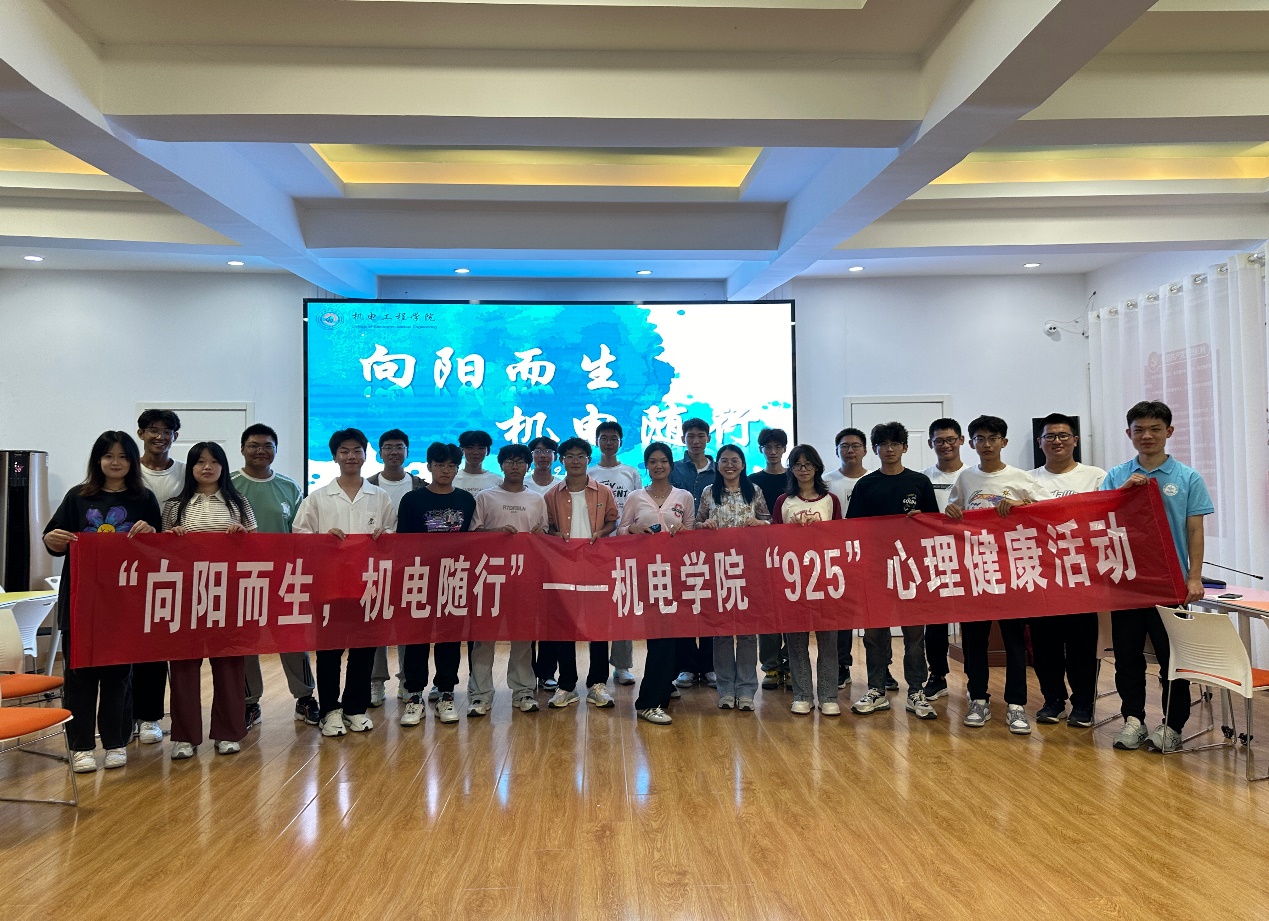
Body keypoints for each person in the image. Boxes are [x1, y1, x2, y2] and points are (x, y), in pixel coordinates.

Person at [43, 432, 161, 773]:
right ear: (98, 460)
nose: (115, 462)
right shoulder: (78, 497)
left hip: (124, 601)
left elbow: (159, 550)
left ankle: (115, 742)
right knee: (79, 675)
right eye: (108, 455)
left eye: (123, 456)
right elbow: (54, 540)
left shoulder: (144, 499)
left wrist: (153, 536)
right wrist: (52, 539)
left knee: (118, 675)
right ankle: (80, 746)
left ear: (132, 461)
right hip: (81, 600)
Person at [1101, 400, 1213, 753]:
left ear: (1169, 431)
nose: (1146, 436)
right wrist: (1122, 494)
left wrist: (1194, 578)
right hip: (1128, 584)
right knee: (1127, 657)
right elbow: (1101, 523)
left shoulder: (1187, 478)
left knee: (1172, 660)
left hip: (1170, 584)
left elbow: (1195, 531)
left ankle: (1172, 726)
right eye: (1139, 430)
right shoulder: (1116, 476)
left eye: (1154, 429)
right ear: (1129, 433)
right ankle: (1133, 720)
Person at [945, 415, 1050, 735]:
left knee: (1014, 640)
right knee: (974, 640)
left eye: (993, 438)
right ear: (971, 443)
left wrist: (1021, 504)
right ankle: (978, 698)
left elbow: (1046, 512)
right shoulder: (965, 478)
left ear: (1004, 442)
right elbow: (954, 512)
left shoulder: (1020, 477)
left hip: (1012, 569)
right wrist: (951, 511)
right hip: (976, 570)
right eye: (980, 438)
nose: (986, 444)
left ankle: (1016, 704)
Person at [292, 428, 397, 738]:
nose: (351, 456)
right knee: (329, 651)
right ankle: (330, 710)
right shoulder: (318, 497)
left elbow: (393, 534)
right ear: (335, 456)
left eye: (356, 451)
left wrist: (385, 537)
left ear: (365, 455)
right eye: (344, 451)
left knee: (364, 650)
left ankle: (354, 707)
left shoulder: (379, 496)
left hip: (368, 586)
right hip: (330, 586)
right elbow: (300, 535)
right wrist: (322, 539)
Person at [161, 442, 257, 759]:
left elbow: (257, 548)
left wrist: (243, 537)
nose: (207, 467)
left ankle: (228, 733)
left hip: (228, 594)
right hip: (186, 595)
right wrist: (172, 540)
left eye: (214, 462)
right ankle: (184, 737)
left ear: (223, 467)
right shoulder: (175, 506)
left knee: (229, 664)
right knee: (184, 666)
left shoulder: (239, 502)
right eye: (200, 461)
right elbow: (161, 552)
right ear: (190, 467)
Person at [846, 423, 940, 721]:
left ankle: (916, 691)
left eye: (895, 444)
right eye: (883, 444)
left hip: (911, 569)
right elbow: (853, 528)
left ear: (905, 447)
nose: (889, 449)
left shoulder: (919, 482)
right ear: (875, 449)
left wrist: (921, 519)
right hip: (875, 569)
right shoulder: (866, 484)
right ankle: (876, 689)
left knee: (914, 634)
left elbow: (934, 524)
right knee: (874, 634)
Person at [232, 424, 318, 728]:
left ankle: (305, 697)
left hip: (283, 578)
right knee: (246, 642)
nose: (260, 451)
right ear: (242, 449)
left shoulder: (289, 487)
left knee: (292, 638)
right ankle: (249, 702)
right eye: (254, 445)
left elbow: (301, 532)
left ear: (276, 450)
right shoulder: (228, 485)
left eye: (267, 446)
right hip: (242, 580)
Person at [1028, 413, 1106, 728]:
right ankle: (1053, 701)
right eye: (1050, 436)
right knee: (1044, 645)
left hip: (1081, 576)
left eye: (1063, 435)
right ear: (1040, 442)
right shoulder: (1026, 480)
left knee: (1082, 646)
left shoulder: (1096, 477)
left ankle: (1084, 704)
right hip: (1041, 576)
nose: (1056, 441)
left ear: (1074, 440)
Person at [396, 442, 475, 727]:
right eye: (440, 465)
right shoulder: (412, 500)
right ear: (429, 466)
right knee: (416, 638)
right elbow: (402, 543)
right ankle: (414, 695)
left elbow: (474, 540)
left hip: (454, 578)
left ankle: (445, 693)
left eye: (452, 465)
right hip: (419, 578)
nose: (446, 470)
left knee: (449, 638)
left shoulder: (466, 500)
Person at [616, 441, 696, 725]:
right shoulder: (635, 497)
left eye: (663, 461)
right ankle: (649, 702)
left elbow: (693, 533)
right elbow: (621, 530)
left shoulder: (684, 496)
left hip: (676, 575)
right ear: (646, 466)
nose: (658, 465)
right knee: (660, 637)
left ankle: (662, 686)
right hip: (646, 575)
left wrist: (685, 531)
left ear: (671, 465)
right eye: (652, 461)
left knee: (672, 637)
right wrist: (632, 529)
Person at [468, 444, 549, 715]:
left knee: (523, 636)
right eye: (510, 461)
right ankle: (480, 694)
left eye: (520, 462)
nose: (515, 466)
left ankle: (523, 691)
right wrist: (496, 533)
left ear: (528, 466)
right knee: (484, 637)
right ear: (501, 465)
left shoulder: (537, 499)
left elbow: (544, 535)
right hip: (489, 577)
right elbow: (473, 535)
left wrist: (539, 535)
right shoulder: (485, 497)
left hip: (524, 577)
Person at [543, 438, 620, 709]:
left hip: (596, 566)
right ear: (561, 460)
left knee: (597, 626)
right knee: (564, 626)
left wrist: (601, 533)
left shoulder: (602, 491)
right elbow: (547, 527)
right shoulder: (551, 494)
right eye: (569, 456)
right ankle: (566, 685)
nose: (575, 461)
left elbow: (612, 520)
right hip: (563, 567)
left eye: (580, 456)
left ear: (588, 459)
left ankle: (598, 683)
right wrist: (557, 536)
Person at [696, 444, 770, 711]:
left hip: (748, 568)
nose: (729, 465)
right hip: (718, 570)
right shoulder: (708, 491)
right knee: (722, 633)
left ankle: (747, 690)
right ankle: (726, 690)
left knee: (748, 633)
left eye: (735, 460)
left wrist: (760, 524)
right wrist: (704, 525)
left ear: (743, 464)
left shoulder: (754, 490)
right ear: (717, 465)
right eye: (724, 461)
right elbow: (696, 523)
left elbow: (769, 521)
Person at [770, 444, 841, 716]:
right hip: (793, 580)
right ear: (791, 469)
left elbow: (840, 537)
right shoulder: (784, 501)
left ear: (817, 468)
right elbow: (774, 539)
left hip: (825, 578)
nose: (803, 469)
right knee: (796, 641)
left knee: (828, 640)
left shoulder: (830, 500)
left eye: (808, 464)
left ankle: (828, 695)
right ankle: (802, 695)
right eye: (797, 465)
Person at [132, 408, 183, 745]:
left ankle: (150, 716)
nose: (160, 436)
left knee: (156, 645)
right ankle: (125, 716)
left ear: (175, 437)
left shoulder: (184, 473)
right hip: (130, 569)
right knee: (127, 645)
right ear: (141, 433)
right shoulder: (127, 470)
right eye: (153, 429)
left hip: (171, 569)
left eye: (167, 431)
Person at [367, 428, 426, 708]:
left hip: (410, 567)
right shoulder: (366, 485)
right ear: (380, 452)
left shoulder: (420, 486)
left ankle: (406, 680)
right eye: (388, 447)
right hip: (373, 566)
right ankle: (376, 681)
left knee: (408, 625)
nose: (394, 452)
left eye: (399, 447)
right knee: (375, 623)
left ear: (407, 451)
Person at [824, 427, 883, 693]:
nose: (850, 451)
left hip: (872, 555)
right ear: (837, 450)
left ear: (866, 450)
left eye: (856, 446)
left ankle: (883, 669)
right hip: (837, 556)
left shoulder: (876, 479)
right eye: (845, 446)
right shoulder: (826, 482)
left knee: (876, 613)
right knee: (841, 613)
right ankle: (841, 665)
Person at [587, 420, 644, 686]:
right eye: (604, 438)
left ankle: (622, 665)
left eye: (613, 438)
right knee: (597, 607)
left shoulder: (631, 473)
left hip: (626, 546)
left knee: (624, 604)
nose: (609, 442)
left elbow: (640, 506)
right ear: (596, 441)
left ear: (621, 442)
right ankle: (597, 666)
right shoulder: (589, 473)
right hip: (596, 547)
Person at [920, 418, 965, 701]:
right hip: (933, 556)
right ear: (930, 444)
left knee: (972, 621)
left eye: (950, 440)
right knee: (935, 621)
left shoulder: (972, 476)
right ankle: (937, 675)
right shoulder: (922, 478)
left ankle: (976, 679)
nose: (945, 445)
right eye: (939, 441)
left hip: (969, 554)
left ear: (961, 441)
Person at [670, 417, 716, 689]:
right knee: (684, 604)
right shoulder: (674, 469)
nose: (696, 441)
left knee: (709, 604)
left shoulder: (719, 469)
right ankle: (687, 666)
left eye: (701, 436)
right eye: (691, 436)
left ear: (708, 438)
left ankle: (709, 666)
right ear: (683, 439)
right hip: (679, 546)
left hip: (711, 547)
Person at [750, 427, 791, 691]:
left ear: (784, 449)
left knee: (792, 611)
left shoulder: (794, 477)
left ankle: (791, 663)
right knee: (767, 613)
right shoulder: (752, 481)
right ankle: (771, 667)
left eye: (778, 447)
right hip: (761, 555)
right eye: (768, 447)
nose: (773, 451)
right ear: (761, 450)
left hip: (792, 554)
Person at [525, 436, 561, 689]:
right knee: (527, 617)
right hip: (524, 561)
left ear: (555, 457)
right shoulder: (522, 484)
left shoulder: (561, 486)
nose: (543, 455)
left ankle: (547, 672)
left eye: (548, 451)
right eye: (537, 451)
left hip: (552, 559)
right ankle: (527, 672)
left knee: (550, 617)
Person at [453, 429, 502, 497]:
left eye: (481, 448)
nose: (475, 452)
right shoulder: (452, 479)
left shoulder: (497, 480)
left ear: (487, 451)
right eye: (470, 448)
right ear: (462, 450)